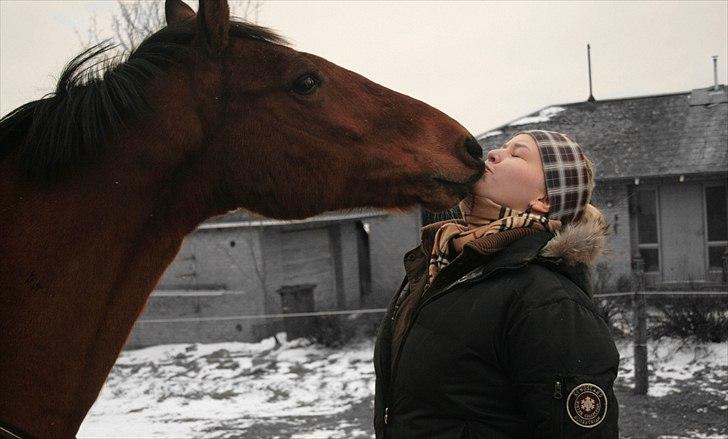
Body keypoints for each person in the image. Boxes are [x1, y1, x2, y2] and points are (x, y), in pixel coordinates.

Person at [373, 130, 619, 438]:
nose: (492, 154)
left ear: (544, 199)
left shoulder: (549, 302)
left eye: (517, 154)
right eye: (500, 147)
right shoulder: (436, 265)